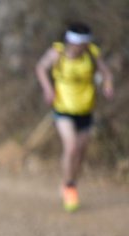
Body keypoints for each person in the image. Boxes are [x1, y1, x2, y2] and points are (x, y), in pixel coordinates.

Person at [35, 22, 114, 212]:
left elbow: (106, 73)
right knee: (70, 147)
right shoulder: (57, 53)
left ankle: (70, 182)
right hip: (63, 109)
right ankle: (69, 186)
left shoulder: (92, 54)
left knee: (81, 151)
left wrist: (107, 85)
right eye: (79, 44)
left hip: (85, 109)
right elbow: (40, 68)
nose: (81, 48)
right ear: (71, 42)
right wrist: (48, 89)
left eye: (85, 44)